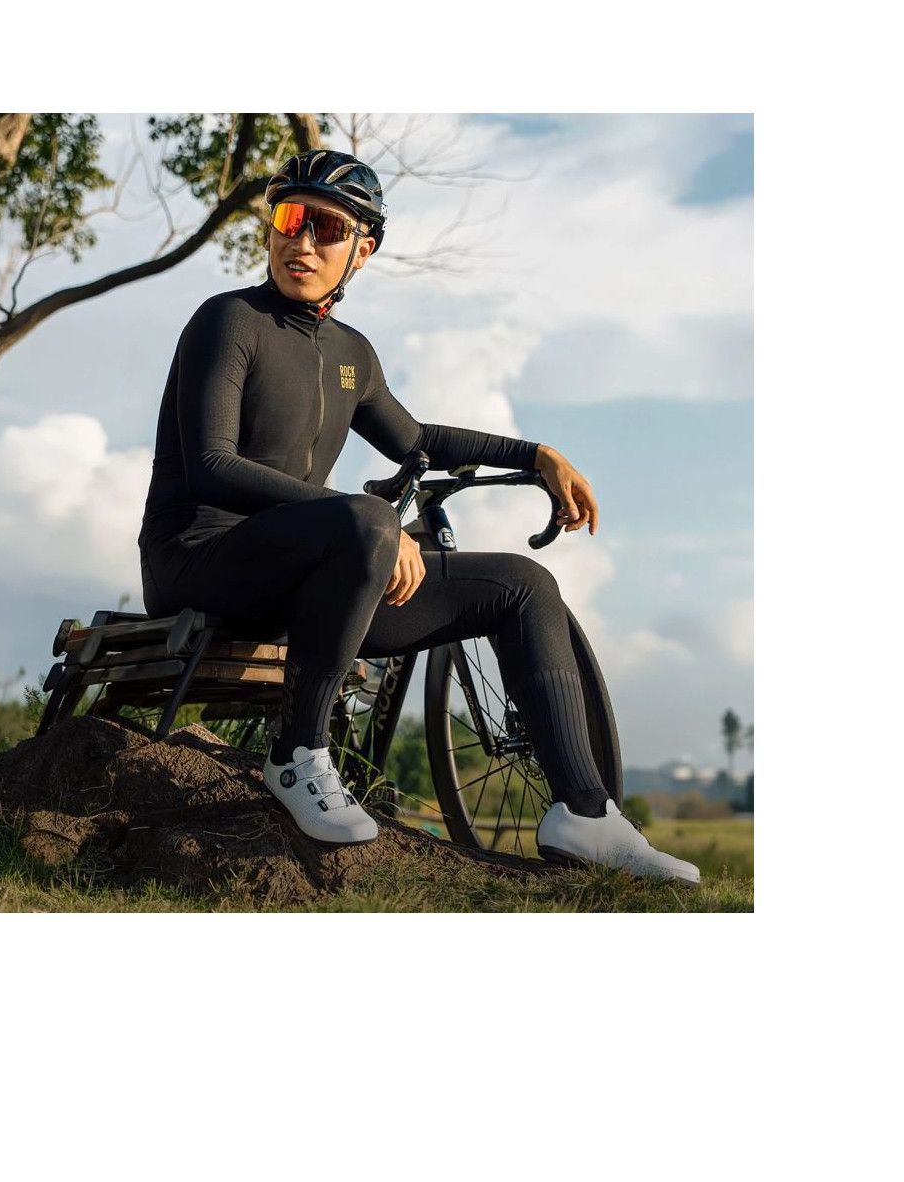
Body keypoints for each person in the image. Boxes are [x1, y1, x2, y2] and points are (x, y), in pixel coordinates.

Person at [138, 149, 699, 885]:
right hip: (200, 559)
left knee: (523, 584)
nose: (301, 241)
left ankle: (584, 816)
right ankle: (296, 754)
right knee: (370, 520)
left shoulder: (351, 354)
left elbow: (418, 441)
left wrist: (537, 455)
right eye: (289, 218)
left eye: (326, 228)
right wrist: (367, 521)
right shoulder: (227, 321)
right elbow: (213, 465)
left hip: (301, 578)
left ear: (362, 250)